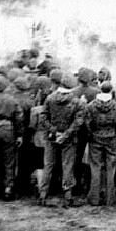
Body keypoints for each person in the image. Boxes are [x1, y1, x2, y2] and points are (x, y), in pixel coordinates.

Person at [39, 75, 86, 207]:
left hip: (51, 136)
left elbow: (43, 117)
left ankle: (43, 194)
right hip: (69, 138)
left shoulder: (50, 98)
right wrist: (65, 134)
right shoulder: (77, 102)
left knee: (48, 165)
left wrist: (54, 131)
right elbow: (78, 122)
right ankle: (68, 195)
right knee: (68, 165)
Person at [85, 81, 116, 206]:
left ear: (100, 90)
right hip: (112, 138)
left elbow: (87, 124)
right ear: (111, 90)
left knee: (95, 167)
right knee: (111, 168)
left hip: (95, 138)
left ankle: (94, 198)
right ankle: (110, 198)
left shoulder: (91, 106)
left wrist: (91, 134)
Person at [0, 77, 24, 201]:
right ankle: (8, 190)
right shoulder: (12, 100)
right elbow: (19, 118)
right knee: (9, 162)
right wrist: (19, 134)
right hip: (8, 129)